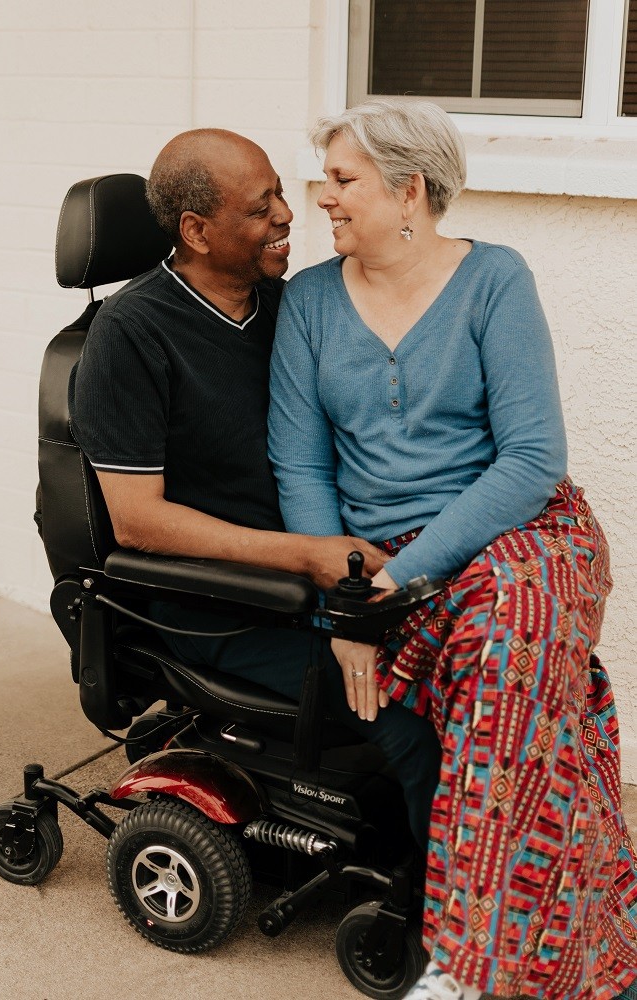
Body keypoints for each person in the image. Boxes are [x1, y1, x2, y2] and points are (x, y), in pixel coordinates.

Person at [268, 98, 637, 1000]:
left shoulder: (494, 280)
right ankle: (590, 962)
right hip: (380, 565)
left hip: (524, 536)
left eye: (344, 179)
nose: (325, 199)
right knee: (535, 716)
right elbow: (301, 465)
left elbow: (532, 460)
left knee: (508, 633)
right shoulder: (312, 301)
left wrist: (397, 579)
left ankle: (467, 970)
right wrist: (347, 603)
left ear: (410, 191)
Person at [67, 127, 441, 855]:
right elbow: (138, 523)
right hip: (229, 607)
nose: (285, 214)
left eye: (279, 191)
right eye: (259, 205)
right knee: (419, 711)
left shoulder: (285, 306)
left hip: (329, 575)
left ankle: (542, 882)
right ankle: (446, 920)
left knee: (500, 664)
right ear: (197, 232)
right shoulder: (130, 335)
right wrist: (307, 557)